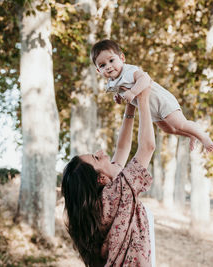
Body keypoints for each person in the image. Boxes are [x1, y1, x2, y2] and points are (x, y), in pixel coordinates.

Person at [62, 86, 156, 266]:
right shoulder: (115, 194)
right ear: (100, 179)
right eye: (96, 158)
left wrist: (131, 106)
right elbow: (148, 147)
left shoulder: (108, 196)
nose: (102, 152)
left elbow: (122, 148)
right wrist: (143, 98)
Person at [91, 39, 213, 152]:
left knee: (179, 124)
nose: (108, 66)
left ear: (122, 58)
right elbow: (122, 91)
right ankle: (191, 134)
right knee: (168, 129)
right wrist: (118, 97)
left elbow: (145, 78)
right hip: (152, 110)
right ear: (98, 70)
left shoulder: (128, 71)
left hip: (161, 101)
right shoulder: (112, 82)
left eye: (111, 60)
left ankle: (203, 136)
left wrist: (133, 92)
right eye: (102, 65)